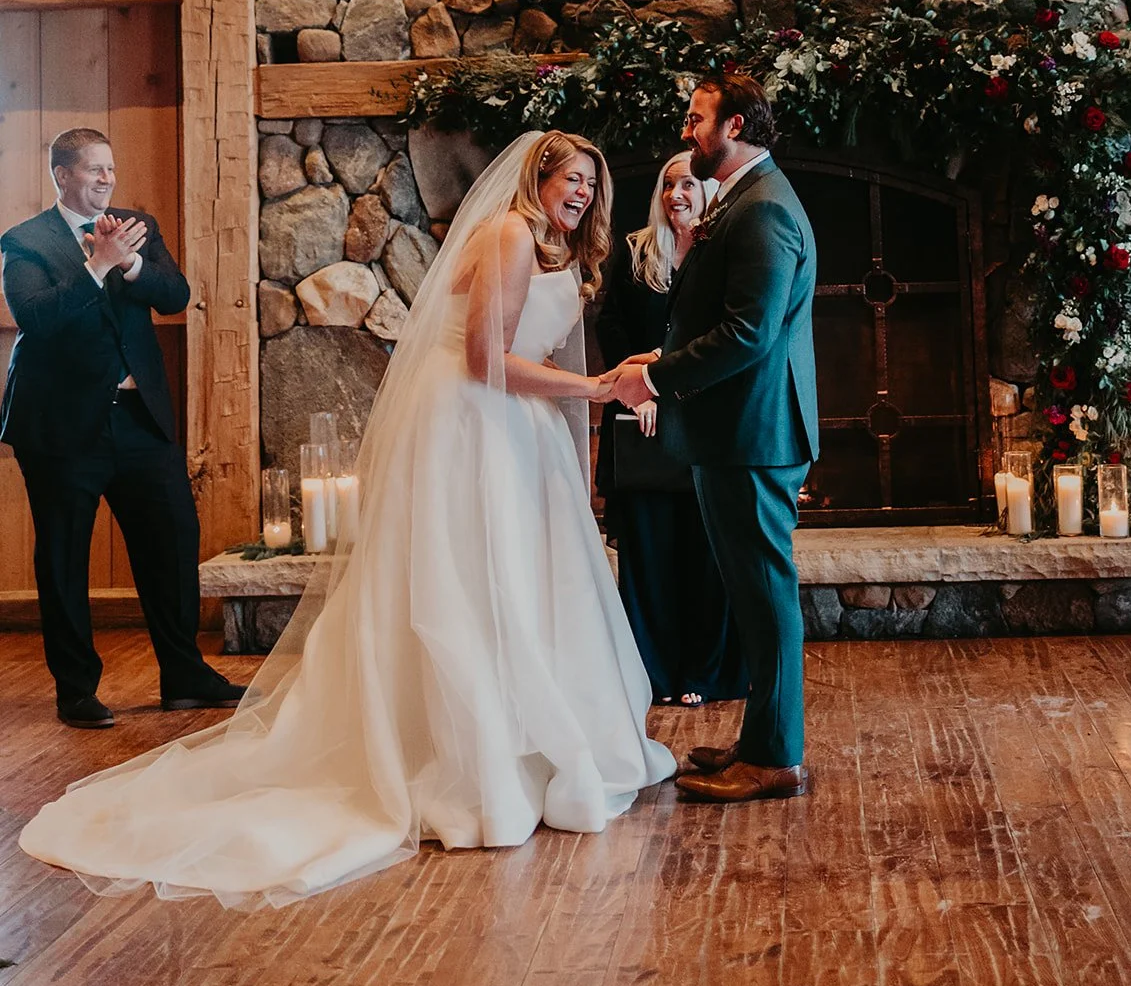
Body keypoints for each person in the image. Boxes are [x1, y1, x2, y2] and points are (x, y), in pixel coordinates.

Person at [20, 131, 675, 907]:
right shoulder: (506, 234)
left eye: (592, 184)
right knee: (470, 586)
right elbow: (483, 359)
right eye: (572, 179)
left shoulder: (555, 246)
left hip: (516, 424)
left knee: (519, 585)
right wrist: (598, 389)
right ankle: (472, 757)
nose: (583, 194)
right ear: (538, 178)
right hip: (478, 424)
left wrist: (585, 421)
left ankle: (524, 737)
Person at [609, 75, 818, 804]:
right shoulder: (747, 200)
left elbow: (749, 334)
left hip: (752, 436)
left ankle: (775, 759)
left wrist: (659, 380)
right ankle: (764, 741)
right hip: (737, 432)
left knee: (765, 600)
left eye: (697, 118)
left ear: (734, 124)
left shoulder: (762, 211)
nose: (687, 129)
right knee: (755, 599)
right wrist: (654, 361)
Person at [0, 128, 245, 729]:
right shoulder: (24, 242)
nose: (106, 180)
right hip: (61, 430)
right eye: (92, 170)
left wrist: (129, 260)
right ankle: (76, 690)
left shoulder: (136, 225)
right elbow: (36, 318)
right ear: (62, 175)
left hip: (139, 419)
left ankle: (184, 675)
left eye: (110, 169)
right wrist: (96, 266)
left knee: (171, 540)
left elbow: (175, 295)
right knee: (63, 557)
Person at [596, 153, 747, 708]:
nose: (676, 194)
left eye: (688, 183)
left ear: (710, 191)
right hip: (642, 423)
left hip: (703, 418)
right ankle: (651, 674)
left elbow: (730, 335)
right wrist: (636, 388)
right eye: (668, 185)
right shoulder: (636, 252)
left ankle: (707, 673)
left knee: (708, 555)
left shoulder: (726, 247)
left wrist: (662, 380)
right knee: (650, 554)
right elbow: (610, 323)